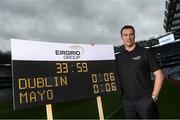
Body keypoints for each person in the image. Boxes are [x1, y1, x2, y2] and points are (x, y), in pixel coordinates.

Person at [116, 25, 164, 119]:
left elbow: (160, 76)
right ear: (122, 37)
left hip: (145, 100)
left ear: (134, 36)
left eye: (131, 34)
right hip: (128, 103)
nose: (128, 37)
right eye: (125, 35)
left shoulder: (145, 53)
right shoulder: (119, 57)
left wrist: (153, 97)